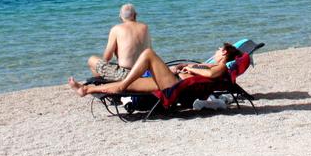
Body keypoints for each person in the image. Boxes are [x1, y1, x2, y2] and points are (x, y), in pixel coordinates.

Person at [69, 43, 242, 98]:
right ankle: (87, 89)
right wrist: (184, 67)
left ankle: (122, 85)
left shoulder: (219, 67)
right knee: (130, 84)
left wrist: (190, 68)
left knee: (148, 54)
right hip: (172, 80)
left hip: (176, 85)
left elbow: (210, 75)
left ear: (224, 53)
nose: (217, 50)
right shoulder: (213, 64)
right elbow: (205, 71)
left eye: (219, 49)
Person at [85, 3, 152, 82]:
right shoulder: (145, 27)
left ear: (120, 16)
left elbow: (107, 58)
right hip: (142, 72)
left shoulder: (116, 29)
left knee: (91, 60)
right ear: (136, 15)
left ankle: (106, 83)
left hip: (126, 74)